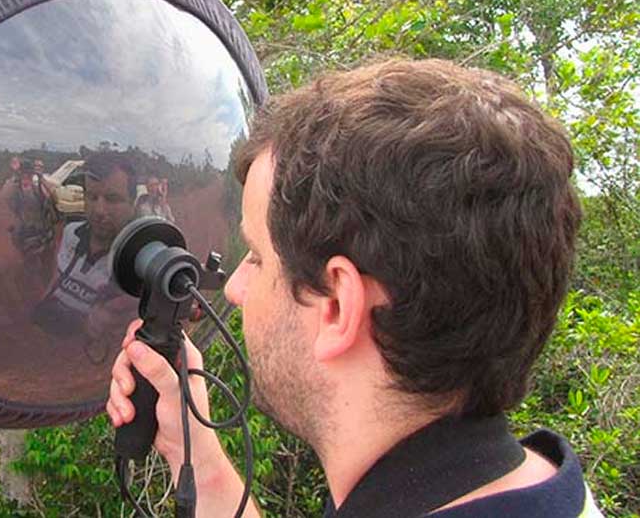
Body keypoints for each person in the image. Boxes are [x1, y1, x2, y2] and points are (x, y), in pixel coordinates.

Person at [107, 59, 602, 517]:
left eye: (257, 258)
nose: (235, 287)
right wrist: (198, 455)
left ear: (340, 306)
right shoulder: (540, 488)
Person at [33, 152, 138, 351]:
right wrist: (40, 306)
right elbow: (57, 276)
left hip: (81, 348)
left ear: (132, 206)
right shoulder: (70, 231)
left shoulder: (135, 262)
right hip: (46, 324)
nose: (99, 210)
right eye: (92, 196)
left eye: (112, 199)